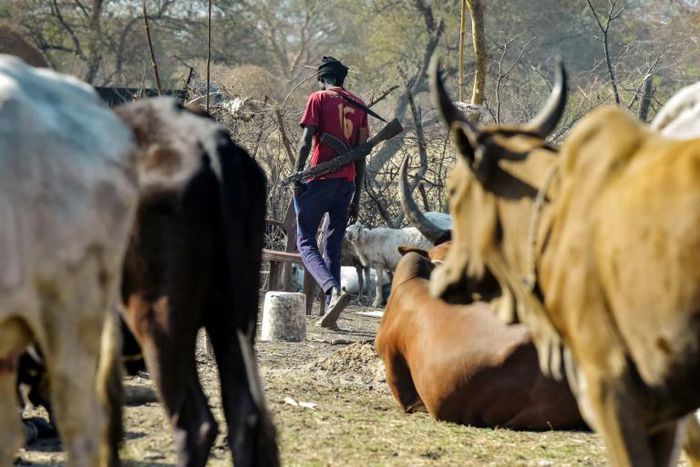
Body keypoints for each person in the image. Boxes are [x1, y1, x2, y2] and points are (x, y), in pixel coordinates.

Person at [293, 56, 369, 329]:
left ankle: (331, 290)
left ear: (323, 79)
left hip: (321, 179)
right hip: (347, 183)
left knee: (305, 241)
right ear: (342, 79)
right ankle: (330, 312)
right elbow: (361, 157)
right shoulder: (358, 104)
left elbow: (305, 142)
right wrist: (356, 198)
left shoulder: (318, 99)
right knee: (333, 245)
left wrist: (297, 175)